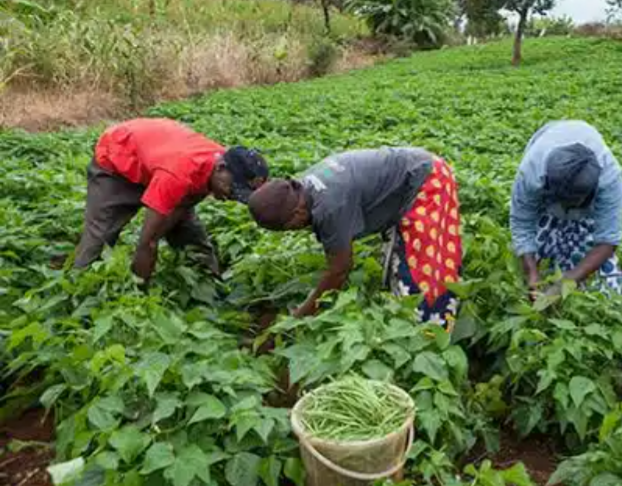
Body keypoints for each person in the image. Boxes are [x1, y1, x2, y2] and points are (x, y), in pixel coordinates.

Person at [247, 148, 462, 329]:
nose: (295, 231)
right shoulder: (301, 189)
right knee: (399, 261)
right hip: (408, 176)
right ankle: (404, 321)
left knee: (424, 271)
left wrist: (301, 316)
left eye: (289, 228)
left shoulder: (329, 208)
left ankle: (432, 336)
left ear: (297, 214)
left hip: (428, 179)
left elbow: (339, 269)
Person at [73, 118, 269, 282]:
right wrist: (141, 290)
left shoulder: (217, 167)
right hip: (118, 157)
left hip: (157, 157)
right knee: (101, 235)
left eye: (238, 194)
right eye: (232, 189)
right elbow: (147, 242)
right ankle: (80, 285)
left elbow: (181, 207)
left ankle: (209, 286)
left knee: (191, 237)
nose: (230, 197)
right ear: (220, 168)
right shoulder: (180, 174)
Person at [510, 120, 622, 296]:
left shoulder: (609, 179)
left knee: (603, 285)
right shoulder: (532, 172)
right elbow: (522, 222)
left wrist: (565, 284)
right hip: (546, 172)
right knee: (542, 253)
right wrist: (532, 274)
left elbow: (607, 240)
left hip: (589, 196)